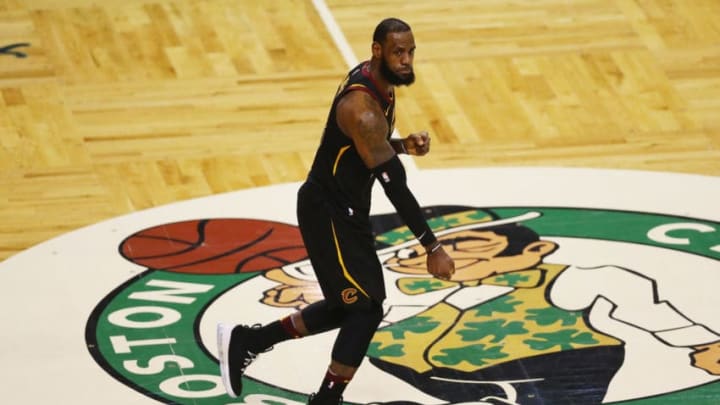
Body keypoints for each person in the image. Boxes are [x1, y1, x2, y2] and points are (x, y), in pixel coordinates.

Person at [217, 17, 455, 404]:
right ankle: (327, 399)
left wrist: (401, 145)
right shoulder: (362, 108)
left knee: (352, 304)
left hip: (347, 210)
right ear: (378, 50)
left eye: (411, 51)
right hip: (327, 212)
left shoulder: (377, 85)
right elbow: (395, 186)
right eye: (398, 52)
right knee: (364, 309)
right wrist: (432, 246)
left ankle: (250, 339)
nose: (407, 60)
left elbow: (364, 148)